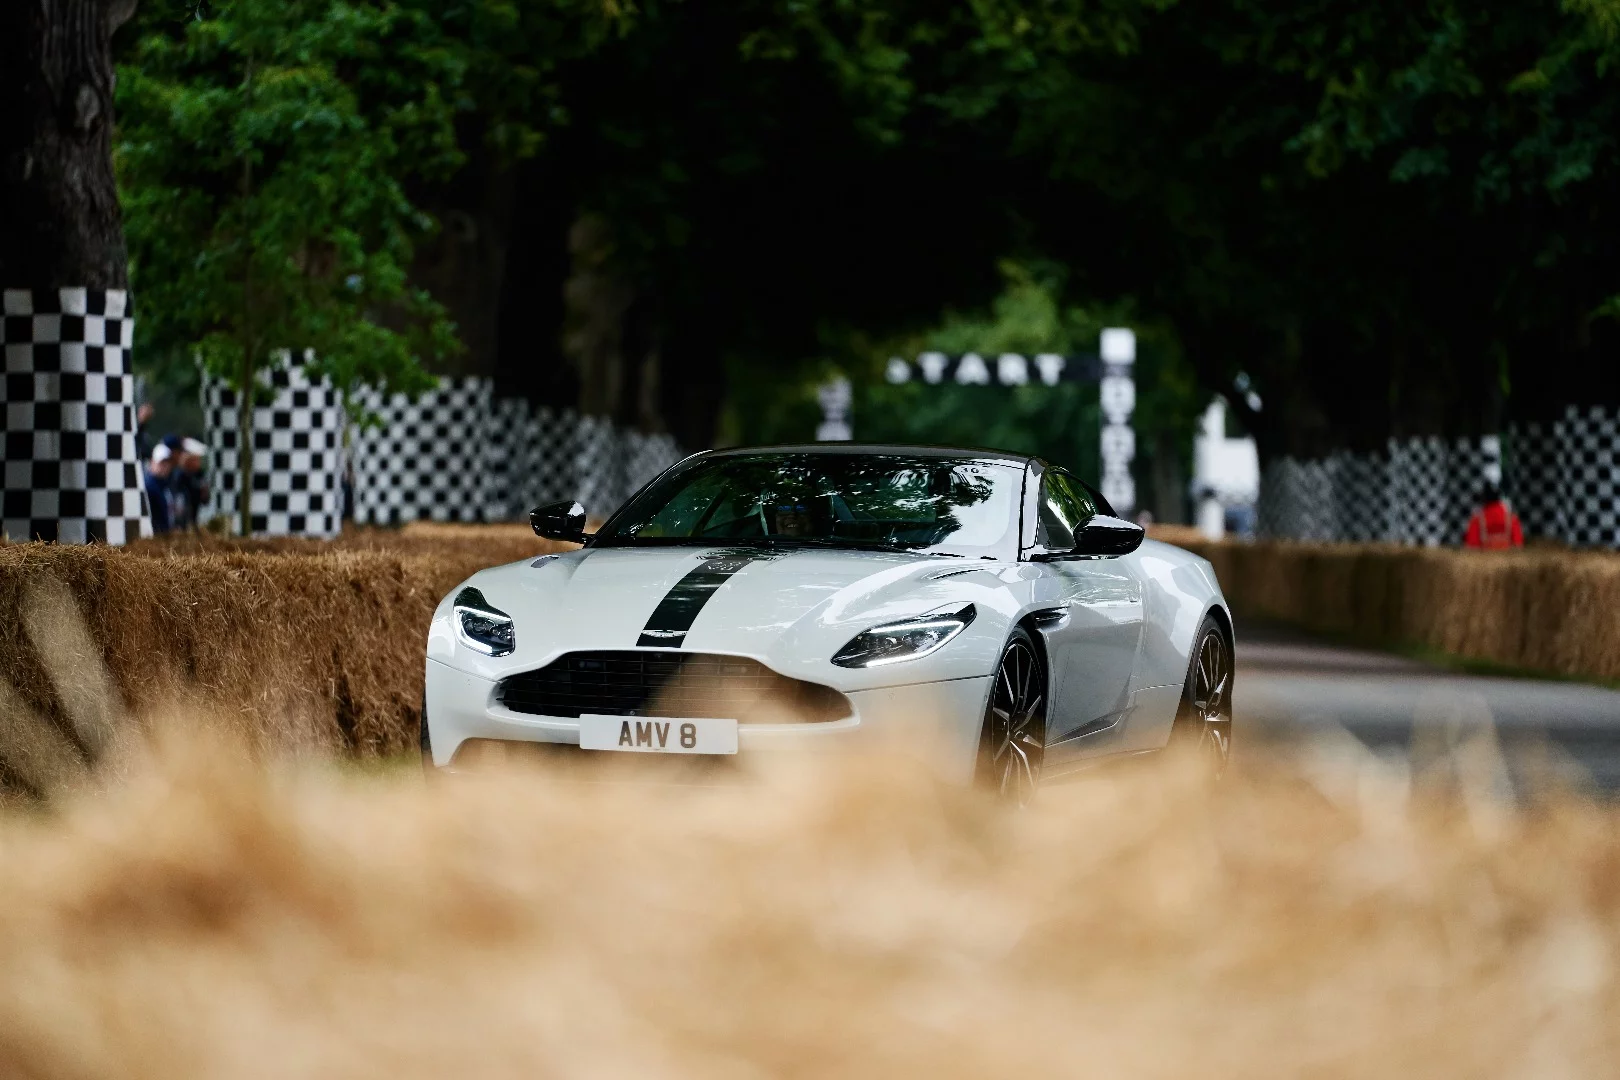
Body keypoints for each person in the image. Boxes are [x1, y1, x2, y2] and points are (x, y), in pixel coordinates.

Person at [1464, 482, 1524, 549]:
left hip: (1484, 558)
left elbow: (1471, 548)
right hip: (1508, 558)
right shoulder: (1512, 519)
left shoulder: (1476, 521)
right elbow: (1518, 546)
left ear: (1483, 498)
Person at [145, 445, 175, 535]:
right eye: (161, 462)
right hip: (154, 537)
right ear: (152, 462)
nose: (165, 466)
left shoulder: (166, 485)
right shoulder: (148, 486)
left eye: (167, 463)